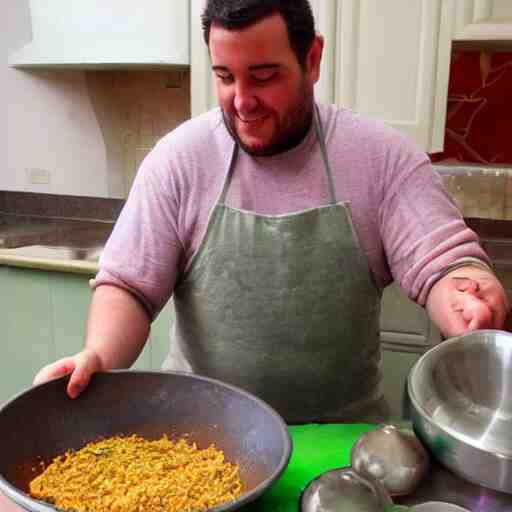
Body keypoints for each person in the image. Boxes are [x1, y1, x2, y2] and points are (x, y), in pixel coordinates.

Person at [34, 0, 509, 423]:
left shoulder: (381, 159)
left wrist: (468, 297)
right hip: (199, 437)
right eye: (225, 77)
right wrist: (98, 353)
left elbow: (444, 261)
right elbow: (130, 286)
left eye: (264, 77)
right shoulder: (179, 160)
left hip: (338, 440)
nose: (242, 102)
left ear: (313, 59)